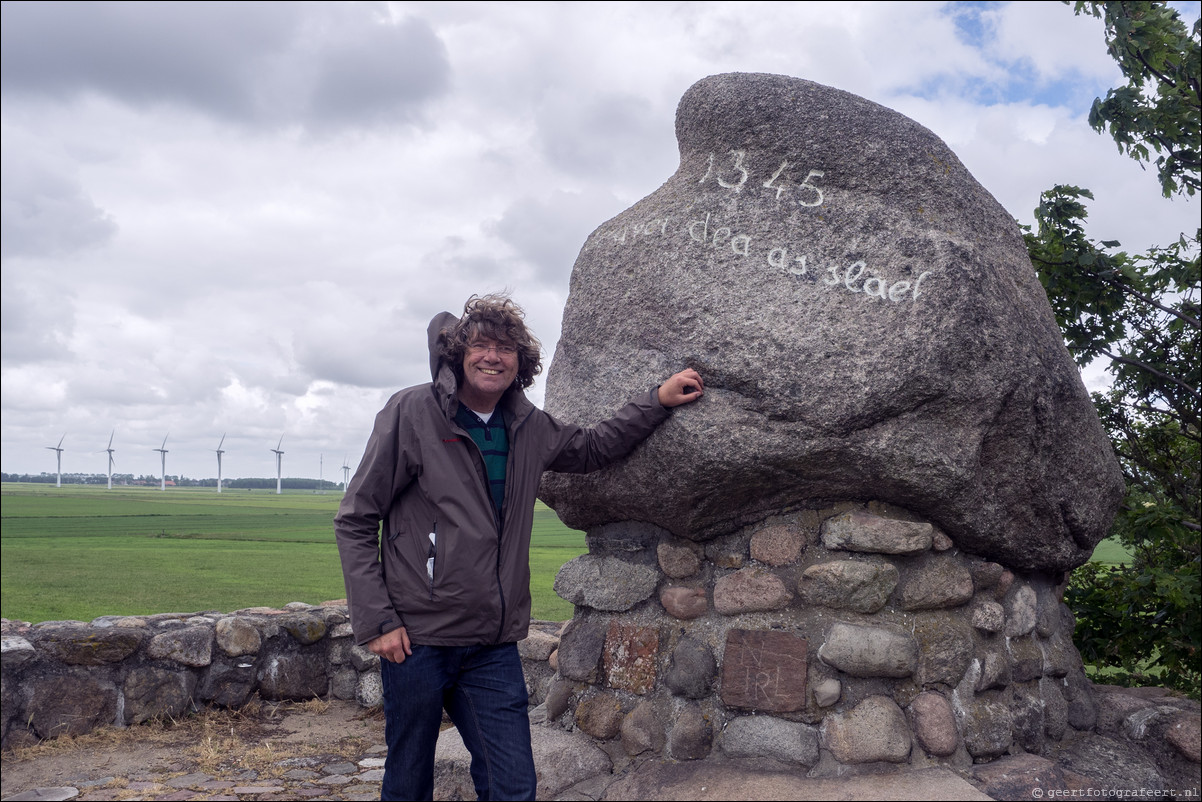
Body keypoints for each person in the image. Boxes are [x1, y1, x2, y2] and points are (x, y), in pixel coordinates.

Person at [334, 293, 703, 801]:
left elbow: (594, 447)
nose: (493, 356)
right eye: (481, 345)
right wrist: (378, 621)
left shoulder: (527, 426)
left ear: (520, 363)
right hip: (416, 638)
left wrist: (657, 401)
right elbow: (356, 519)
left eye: (506, 348)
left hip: (491, 642)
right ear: (458, 354)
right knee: (408, 776)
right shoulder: (413, 411)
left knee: (513, 784)